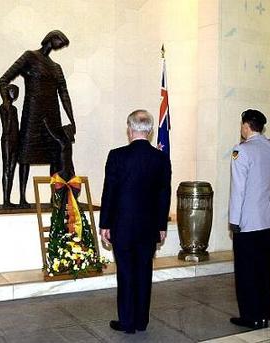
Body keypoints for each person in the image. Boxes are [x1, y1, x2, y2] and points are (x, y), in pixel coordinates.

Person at [99, 110, 171, 334]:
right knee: (144, 271)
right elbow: (164, 195)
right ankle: (141, 320)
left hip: (122, 226)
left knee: (126, 272)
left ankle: (127, 321)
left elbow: (109, 192)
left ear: (130, 130)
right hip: (149, 227)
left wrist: (105, 224)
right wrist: (161, 226)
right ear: (149, 131)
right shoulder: (161, 158)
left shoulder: (117, 156)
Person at [0, 30, 76, 206]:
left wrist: (72, 119)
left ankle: (55, 198)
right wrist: (6, 102)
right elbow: (4, 79)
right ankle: (22, 198)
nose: (60, 45)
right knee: (26, 154)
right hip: (33, 112)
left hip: (52, 115)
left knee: (56, 154)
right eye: (60, 41)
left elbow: (64, 94)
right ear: (51, 38)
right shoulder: (30, 57)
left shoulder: (56, 67)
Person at [229, 109, 270, 330]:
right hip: (267, 218)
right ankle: (263, 315)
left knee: (245, 271)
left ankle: (249, 316)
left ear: (246, 126)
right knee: (262, 268)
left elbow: (238, 190)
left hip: (248, 221)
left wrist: (234, 220)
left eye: (242, 124)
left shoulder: (241, 150)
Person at [0, 84, 19, 207]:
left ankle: (8, 200)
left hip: (15, 140)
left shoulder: (14, 109)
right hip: (7, 140)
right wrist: (8, 110)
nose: (16, 93)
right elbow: (6, 127)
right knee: (6, 169)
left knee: (11, 170)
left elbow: (17, 127)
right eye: (14, 91)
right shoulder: (3, 108)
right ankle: (6, 200)